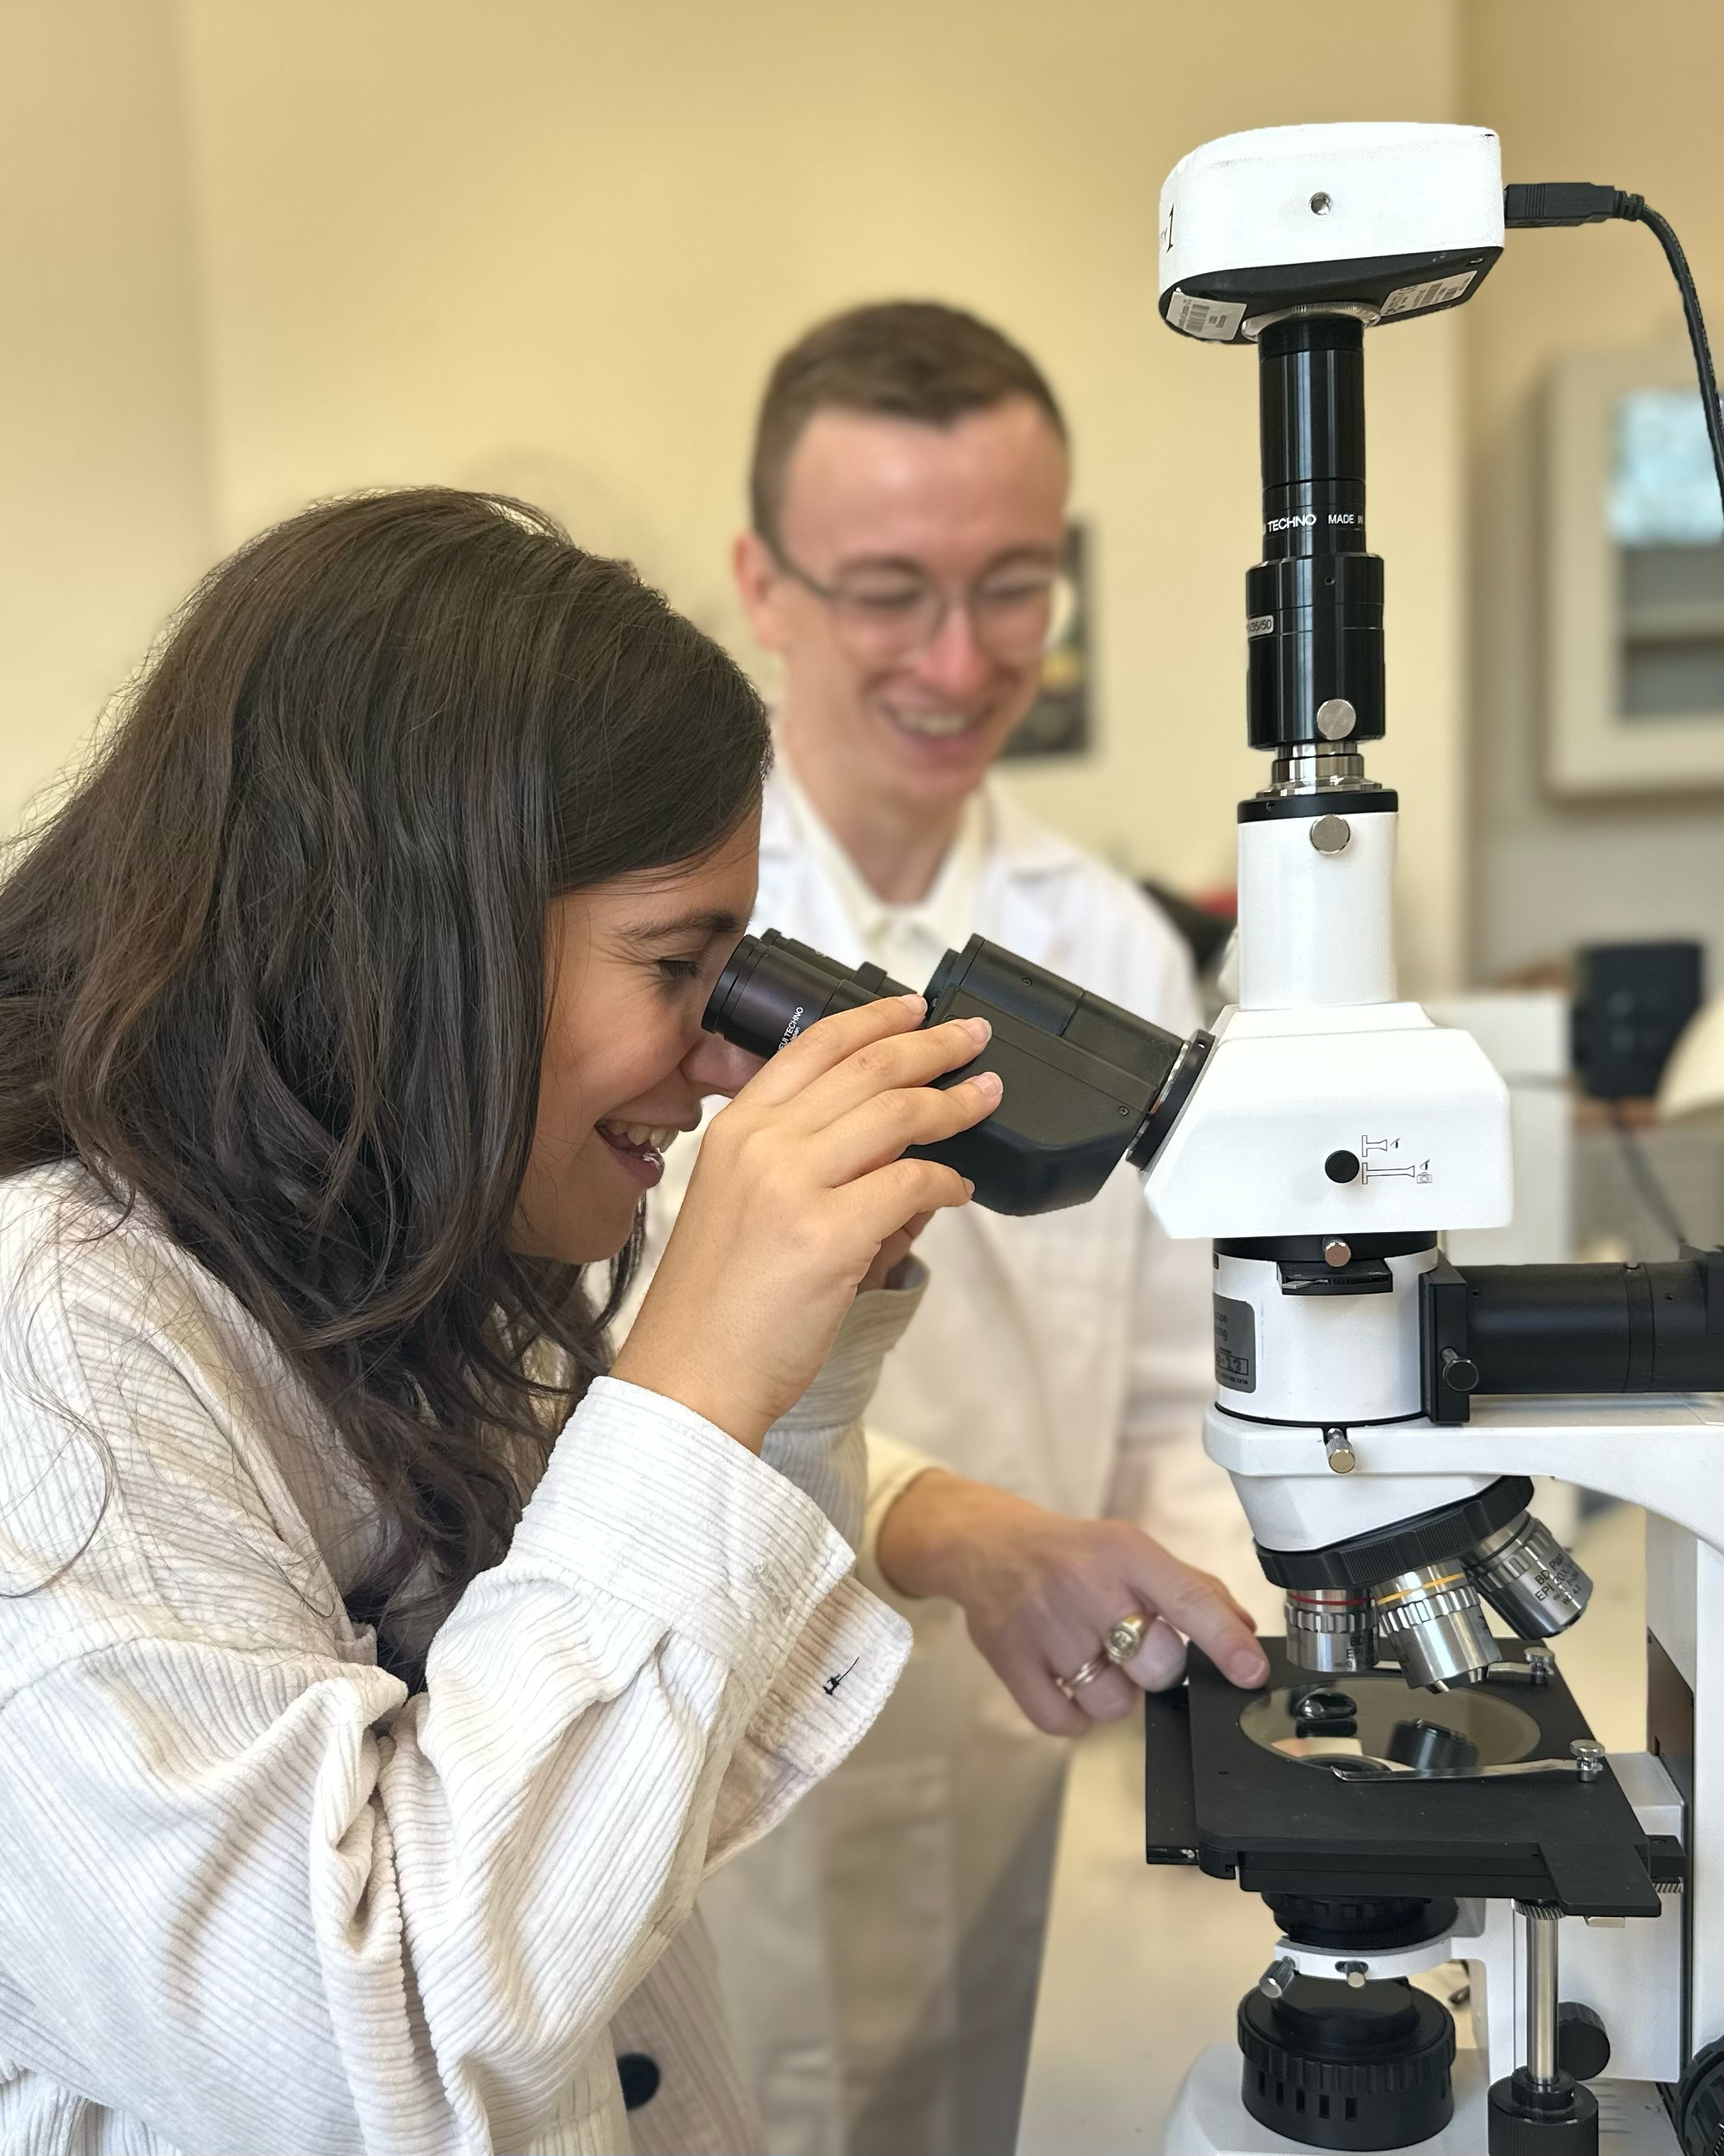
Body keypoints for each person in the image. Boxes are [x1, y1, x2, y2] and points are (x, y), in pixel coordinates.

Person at [0, 487, 1263, 2156]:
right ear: (410, 941)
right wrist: (688, 1379)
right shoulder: (62, 1348)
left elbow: (643, 1740)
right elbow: (372, 2050)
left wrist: (795, 1365)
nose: (719, 1052)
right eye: (683, 967)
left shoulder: (373, 1248)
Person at [628, 304, 1277, 2156]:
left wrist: (1201, 1625)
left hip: (1030, 1750)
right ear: (761, 579)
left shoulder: (1119, 952)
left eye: (1011, 585)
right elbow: (608, 1356)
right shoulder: (661, 948)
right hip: (727, 1741)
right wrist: (960, 1527)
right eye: (888, 590)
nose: (957, 655)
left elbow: (1175, 1378)